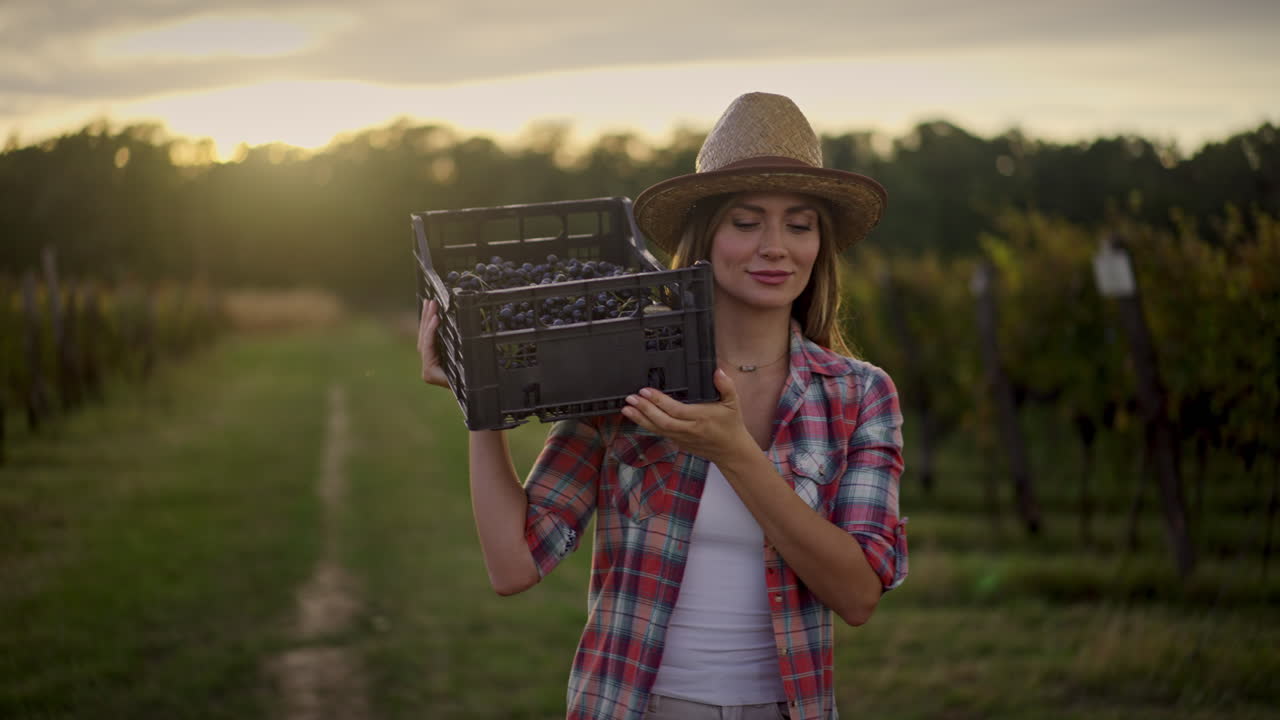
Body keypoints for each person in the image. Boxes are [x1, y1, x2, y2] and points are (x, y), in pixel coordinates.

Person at [418, 92, 907, 720]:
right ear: (704, 236)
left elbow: (859, 594)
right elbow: (514, 564)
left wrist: (737, 454)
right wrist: (478, 395)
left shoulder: (858, 395)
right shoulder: (625, 373)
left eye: (800, 224)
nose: (775, 246)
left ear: (820, 245)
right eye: (746, 220)